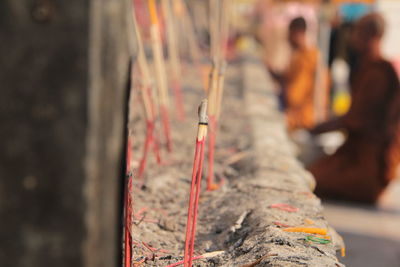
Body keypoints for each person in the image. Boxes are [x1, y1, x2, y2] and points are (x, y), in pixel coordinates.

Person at [308, 13, 400, 203]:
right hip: (352, 152)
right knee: (309, 175)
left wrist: (321, 127)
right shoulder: (365, 67)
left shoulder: (380, 72)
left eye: (359, 32)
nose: (353, 37)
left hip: (370, 164)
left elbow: (357, 119)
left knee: (312, 180)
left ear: (373, 35)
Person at [269, 17, 329, 131]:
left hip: (305, 120)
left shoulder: (309, 58)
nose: (287, 39)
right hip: (301, 116)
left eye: (289, 34)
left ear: (297, 33)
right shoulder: (301, 56)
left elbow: (294, 96)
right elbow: (288, 78)